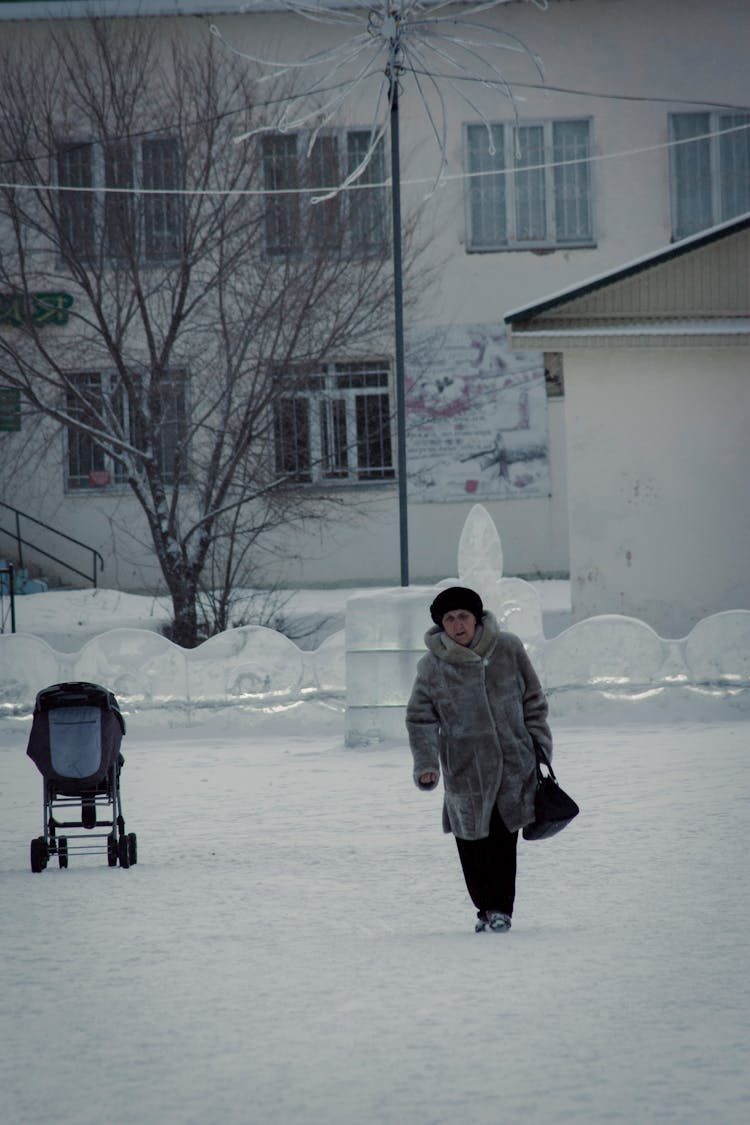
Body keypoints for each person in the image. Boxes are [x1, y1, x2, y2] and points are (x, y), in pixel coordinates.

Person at [406, 586, 552, 933]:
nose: (458, 625)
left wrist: (539, 745)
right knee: (471, 846)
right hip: (464, 771)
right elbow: (420, 718)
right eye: (450, 619)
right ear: (442, 626)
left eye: (463, 617)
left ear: (477, 617)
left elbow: (533, 699)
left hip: (513, 765)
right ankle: (484, 909)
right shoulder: (431, 666)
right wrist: (427, 764)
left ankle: (501, 909)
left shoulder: (509, 649)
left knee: (503, 842)